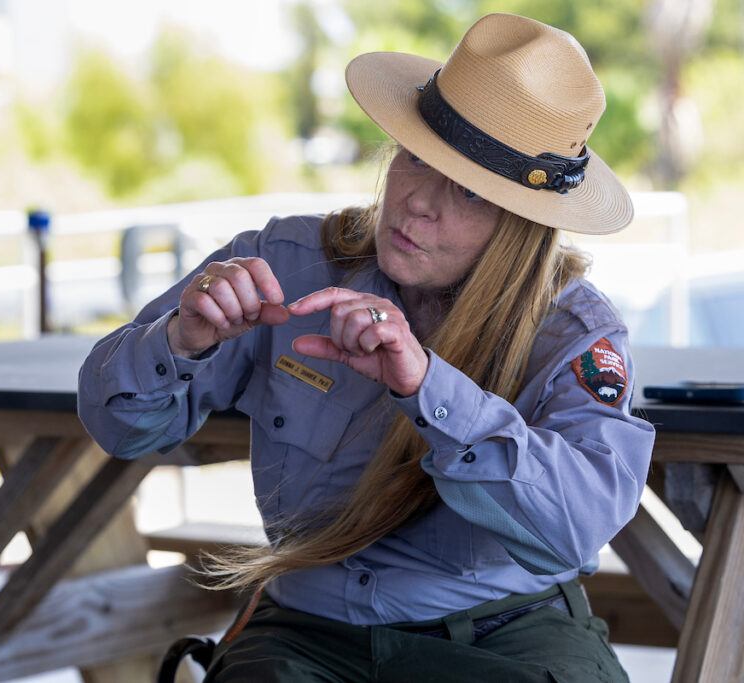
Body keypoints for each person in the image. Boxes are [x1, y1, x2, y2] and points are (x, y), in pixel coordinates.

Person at [78, 12, 655, 683]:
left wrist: (427, 388)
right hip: (308, 626)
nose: (415, 203)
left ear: (521, 225)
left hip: (502, 627)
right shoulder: (287, 263)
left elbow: (575, 526)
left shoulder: (573, 333)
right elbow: (116, 426)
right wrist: (181, 339)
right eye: (417, 157)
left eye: (467, 191)